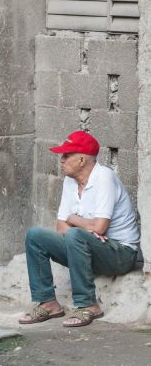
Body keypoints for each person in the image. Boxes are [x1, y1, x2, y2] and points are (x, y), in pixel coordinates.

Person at [19, 131, 140, 327]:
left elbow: (99, 227)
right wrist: (85, 231)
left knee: (75, 234)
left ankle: (89, 305)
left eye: (67, 155)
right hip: (90, 249)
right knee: (35, 236)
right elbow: (60, 227)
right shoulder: (69, 182)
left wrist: (74, 220)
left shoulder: (104, 178)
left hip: (120, 253)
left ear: (82, 159)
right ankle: (48, 303)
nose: (62, 160)